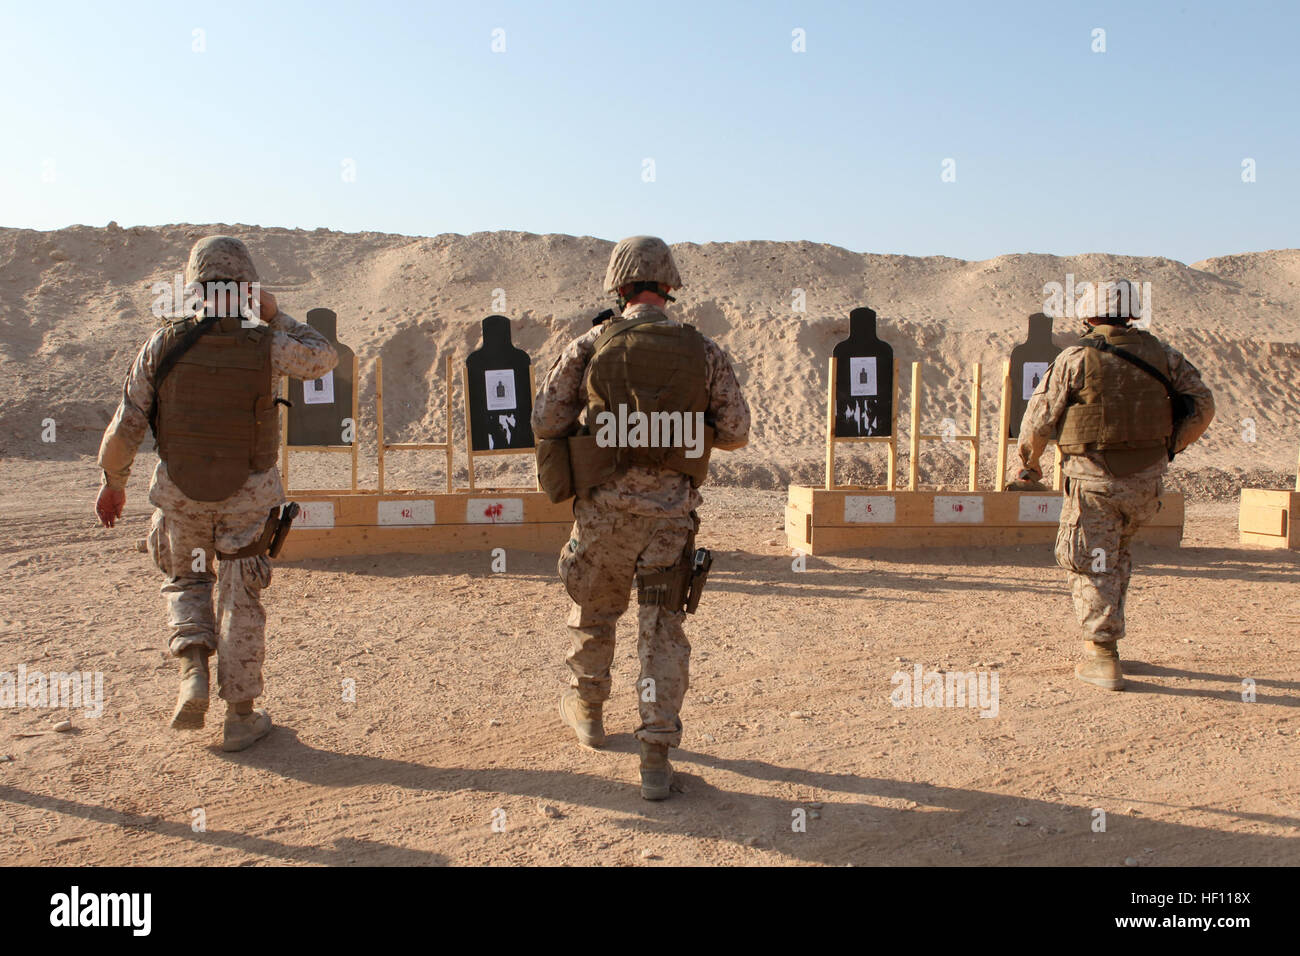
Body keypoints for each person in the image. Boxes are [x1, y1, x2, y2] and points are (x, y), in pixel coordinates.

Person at [95, 236, 338, 750]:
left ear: (195, 286)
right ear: (247, 286)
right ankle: (241, 716)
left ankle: (192, 673)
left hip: (180, 493)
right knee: (240, 595)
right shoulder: (266, 341)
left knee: (185, 580)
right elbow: (324, 358)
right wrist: (277, 314)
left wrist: (112, 483)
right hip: (248, 496)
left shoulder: (163, 343)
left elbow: (127, 424)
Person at [533, 236, 750, 799]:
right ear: (669, 286)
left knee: (595, 610)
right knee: (660, 630)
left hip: (604, 514)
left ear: (619, 285)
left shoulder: (593, 342)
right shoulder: (703, 351)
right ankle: (654, 756)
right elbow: (735, 431)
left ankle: (588, 712)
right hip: (670, 518)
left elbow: (546, 415)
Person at [1008, 279, 1214, 690]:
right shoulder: (1165, 356)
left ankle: (1102, 655)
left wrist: (1029, 465)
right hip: (1146, 486)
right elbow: (1203, 405)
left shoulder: (1076, 358)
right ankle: (1110, 644)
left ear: (1088, 314)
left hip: (1094, 483)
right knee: (1115, 556)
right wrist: (1170, 447)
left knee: (1088, 562)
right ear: (1131, 314)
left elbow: (1038, 419)